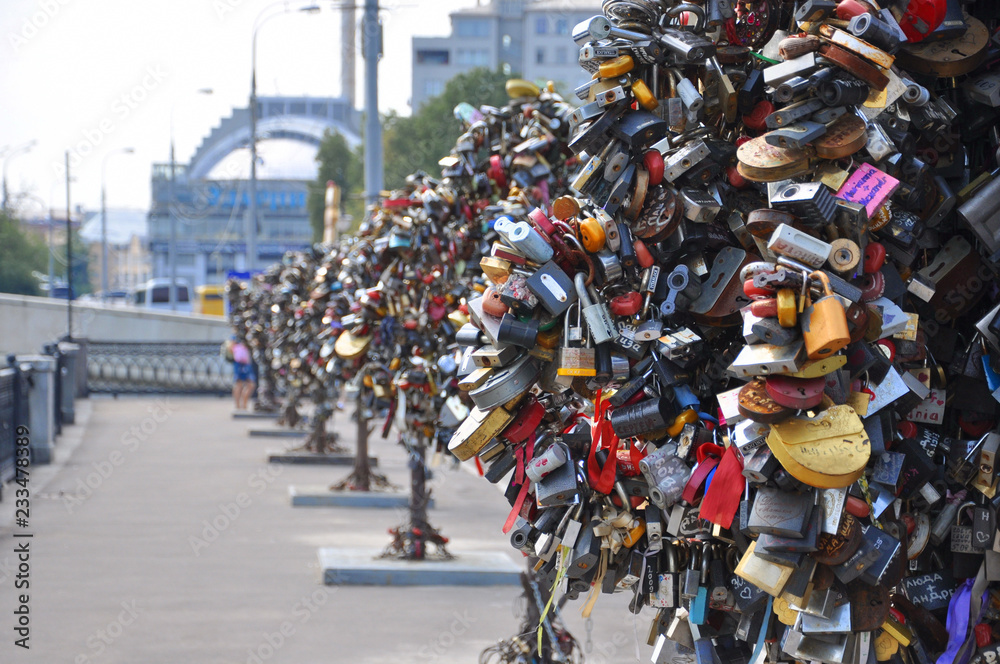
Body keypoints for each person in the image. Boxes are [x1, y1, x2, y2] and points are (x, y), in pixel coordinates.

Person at [231, 337, 256, 410]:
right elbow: (230, 347)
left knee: (250, 385)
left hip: (245, 363)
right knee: (239, 384)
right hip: (240, 363)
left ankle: (243, 404)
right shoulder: (237, 335)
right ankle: (239, 405)